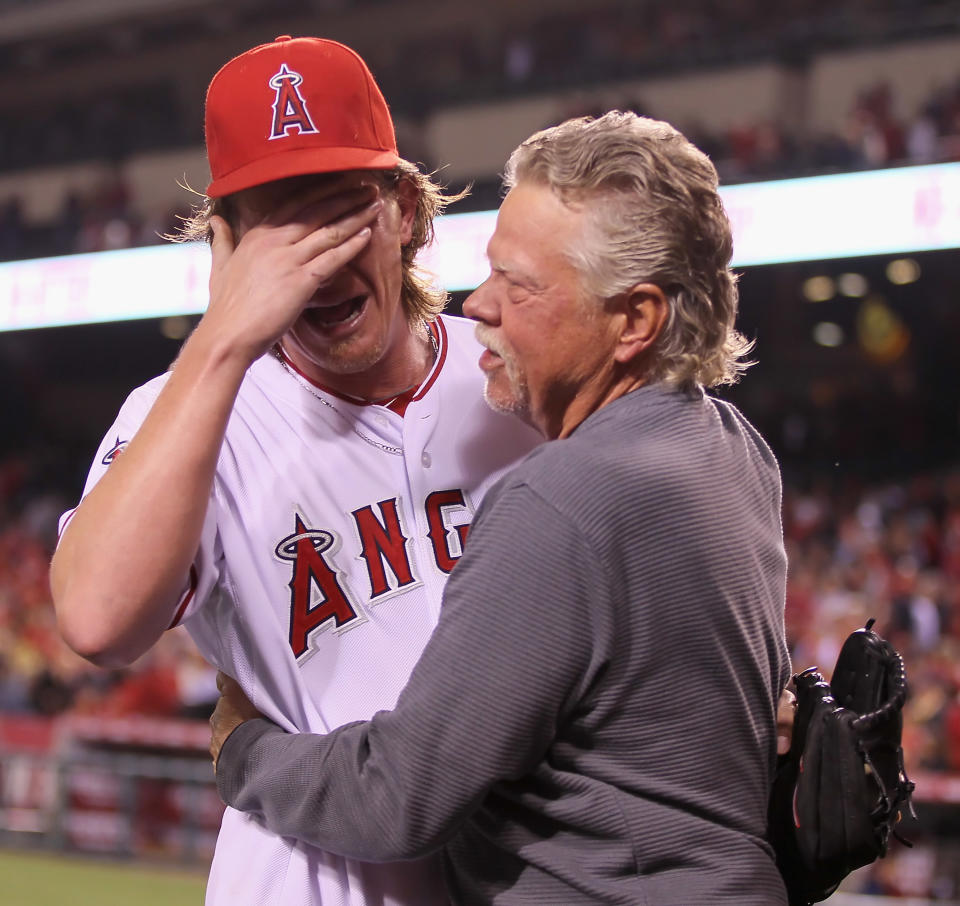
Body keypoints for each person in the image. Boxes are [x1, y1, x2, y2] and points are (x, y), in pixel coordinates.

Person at [209, 111, 792, 904]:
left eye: (517, 284)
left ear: (636, 320)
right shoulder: (734, 448)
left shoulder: (562, 498)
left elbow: (397, 798)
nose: (476, 304)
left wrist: (243, 751)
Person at [50, 36, 541, 906]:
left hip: (530, 877)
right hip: (314, 884)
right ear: (226, 245)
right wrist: (224, 338)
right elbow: (97, 621)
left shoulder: (516, 374)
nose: (315, 260)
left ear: (406, 213)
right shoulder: (187, 414)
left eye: (340, 209)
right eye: (279, 224)